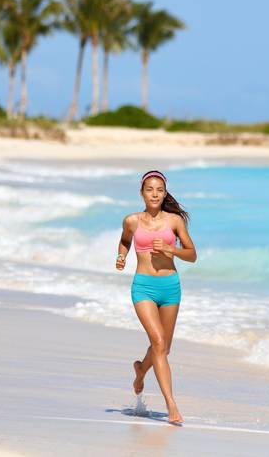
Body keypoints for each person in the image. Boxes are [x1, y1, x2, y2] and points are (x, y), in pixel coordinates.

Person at [116, 170, 197, 425]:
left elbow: (192, 254)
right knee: (158, 341)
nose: (154, 194)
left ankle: (141, 370)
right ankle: (172, 405)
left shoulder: (174, 222)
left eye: (159, 190)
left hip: (170, 287)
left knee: (164, 347)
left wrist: (171, 249)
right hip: (143, 287)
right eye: (149, 189)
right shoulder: (131, 220)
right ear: (142, 192)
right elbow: (125, 241)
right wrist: (121, 256)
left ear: (164, 194)